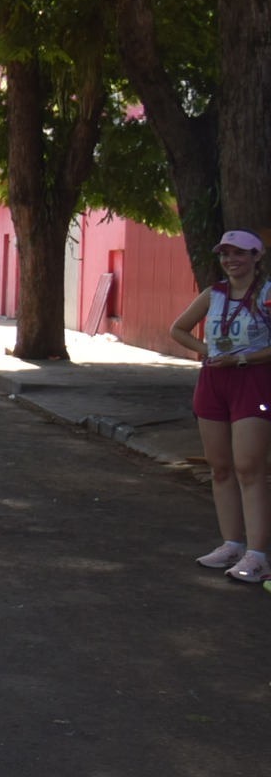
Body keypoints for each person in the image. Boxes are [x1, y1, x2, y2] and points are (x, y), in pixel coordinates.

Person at [169, 229, 271, 585]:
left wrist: (241, 359)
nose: (231, 260)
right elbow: (178, 329)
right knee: (221, 468)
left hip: (254, 381)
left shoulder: (268, 293)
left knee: (249, 468)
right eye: (225, 254)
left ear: (257, 257)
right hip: (214, 381)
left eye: (240, 253)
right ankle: (231, 544)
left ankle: (258, 555)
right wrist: (208, 352)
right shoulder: (214, 294)